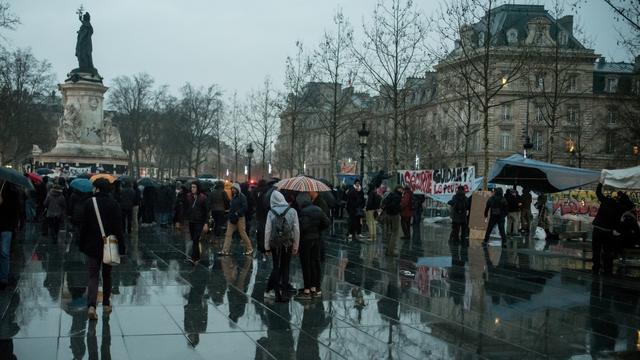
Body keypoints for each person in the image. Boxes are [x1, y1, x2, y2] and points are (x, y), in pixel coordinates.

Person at [78, 178, 124, 320]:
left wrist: (81, 244)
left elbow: (83, 226)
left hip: (92, 245)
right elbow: (118, 228)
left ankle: (91, 305)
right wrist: (122, 247)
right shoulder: (114, 204)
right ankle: (105, 303)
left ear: (97, 189)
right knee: (107, 275)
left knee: (93, 276)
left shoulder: (89, 203)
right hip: (108, 246)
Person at [264, 190, 299, 302]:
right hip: (287, 243)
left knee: (276, 266)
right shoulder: (292, 211)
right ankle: (285, 292)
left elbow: (268, 230)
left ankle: (275, 292)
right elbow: (296, 230)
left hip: (275, 243)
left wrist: (266, 246)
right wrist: (296, 245)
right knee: (286, 266)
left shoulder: (271, 212)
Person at [295, 193, 330, 300]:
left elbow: (302, 227)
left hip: (305, 241)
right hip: (316, 239)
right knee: (315, 263)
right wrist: (318, 230)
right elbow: (327, 222)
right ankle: (314, 288)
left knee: (306, 264)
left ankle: (306, 290)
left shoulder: (303, 212)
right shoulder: (318, 209)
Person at [592, 183, 621, 275]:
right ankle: (607, 267)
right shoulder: (617, 207)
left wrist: (600, 183)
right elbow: (617, 223)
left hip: (597, 229)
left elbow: (598, 193)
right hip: (607, 232)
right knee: (607, 250)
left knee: (596, 249)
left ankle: (596, 266)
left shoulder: (605, 201)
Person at [219, 183, 253, 256]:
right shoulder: (234, 196)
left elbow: (245, 207)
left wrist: (238, 213)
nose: (233, 190)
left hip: (240, 218)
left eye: (234, 189)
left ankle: (250, 248)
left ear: (238, 189)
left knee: (243, 234)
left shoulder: (242, 197)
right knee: (228, 234)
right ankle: (225, 250)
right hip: (232, 218)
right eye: (232, 189)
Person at [0, 182, 19, 290]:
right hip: (6, 226)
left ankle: (3, 278)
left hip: (6, 226)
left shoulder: (12, 191)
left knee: (4, 252)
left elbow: (15, 210)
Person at [185, 182, 209, 263]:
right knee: (193, 239)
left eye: (194, 187)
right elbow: (186, 207)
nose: (192, 189)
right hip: (191, 220)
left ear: (198, 188)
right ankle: (197, 256)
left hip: (199, 221)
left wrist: (206, 223)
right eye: (192, 187)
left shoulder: (203, 198)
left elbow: (206, 211)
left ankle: (194, 257)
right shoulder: (189, 196)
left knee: (196, 239)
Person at [613, 192, 640, 257]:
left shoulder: (620, 209)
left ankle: (617, 255)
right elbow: (636, 230)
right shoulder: (630, 214)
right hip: (630, 239)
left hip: (623, 239)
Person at [381, 185, 402, 256]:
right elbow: (395, 205)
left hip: (388, 215)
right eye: (401, 189)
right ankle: (391, 251)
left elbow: (384, 202)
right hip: (394, 215)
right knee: (395, 233)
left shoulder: (391, 194)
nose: (402, 190)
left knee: (389, 232)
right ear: (398, 189)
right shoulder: (398, 196)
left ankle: (388, 250)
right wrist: (399, 208)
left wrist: (387, 209)